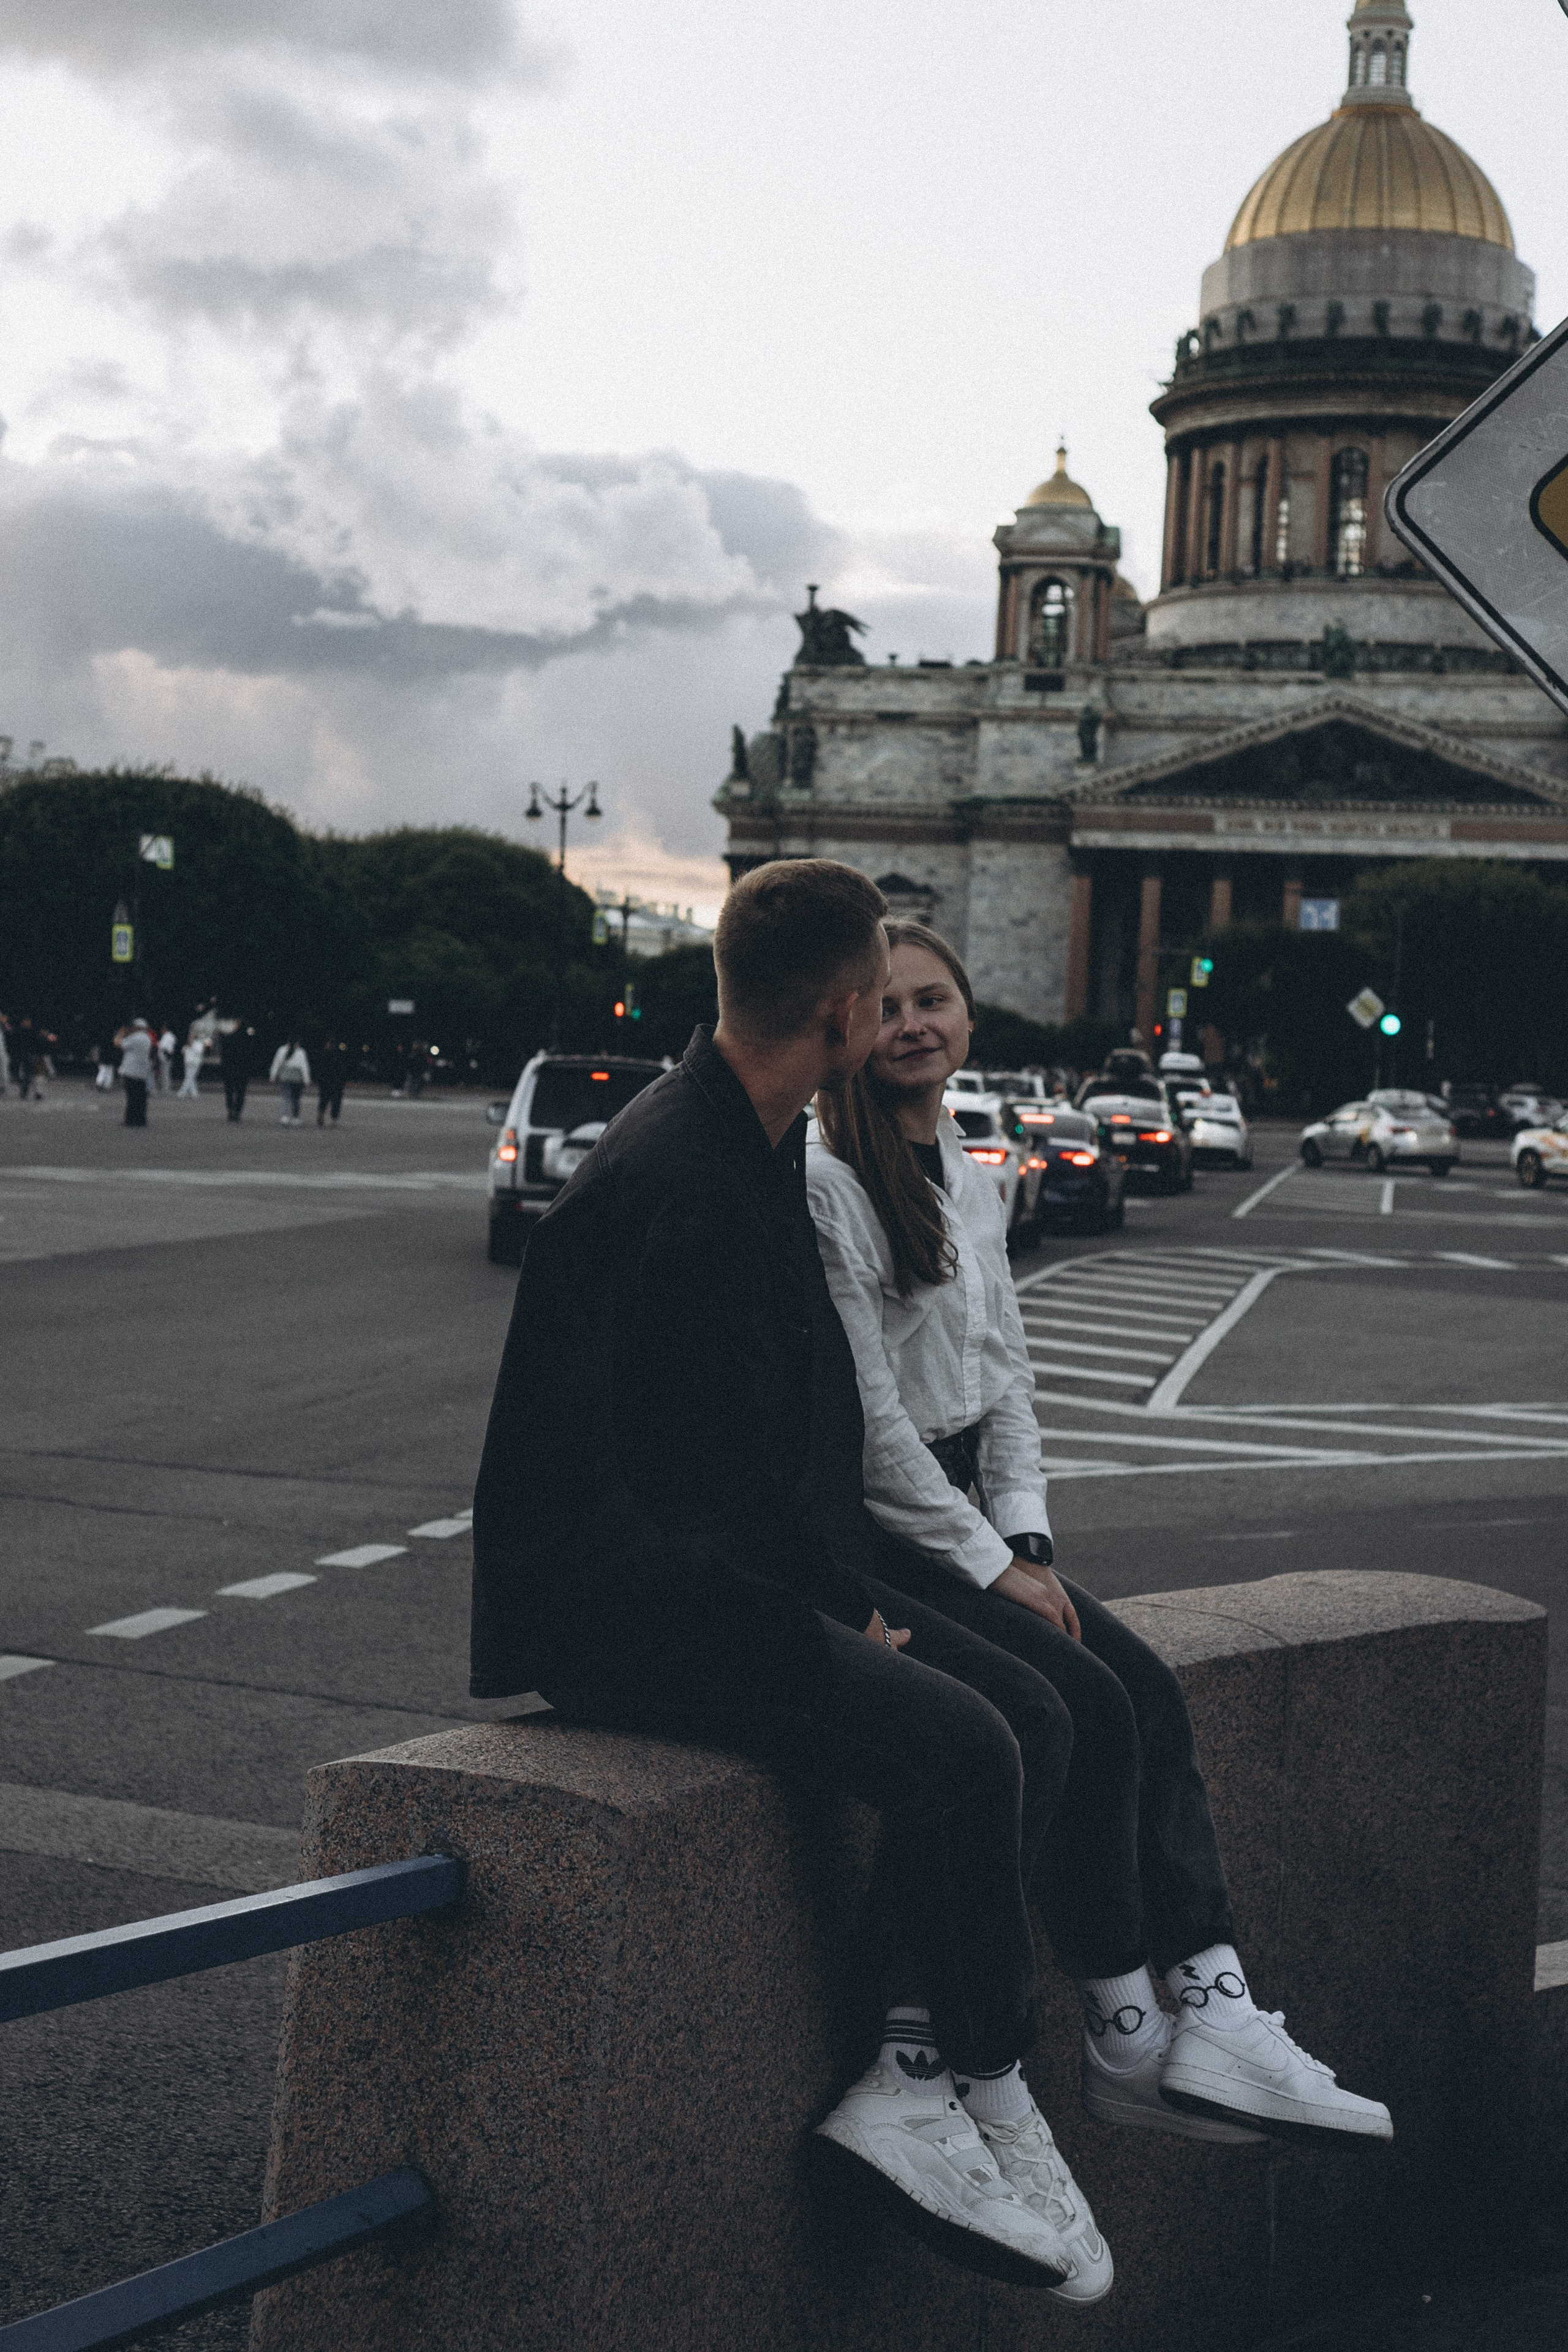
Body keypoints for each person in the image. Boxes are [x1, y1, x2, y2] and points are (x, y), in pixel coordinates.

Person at [472, 861, 1110, 2302]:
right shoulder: (692, 1178)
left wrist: (847, 1590)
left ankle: (934, 2077)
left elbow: (761, 1446)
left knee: (1026, 1713)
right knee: (966, 1744)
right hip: (629, 1616)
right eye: (873, 988)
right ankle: (960, 2084)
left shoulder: (736, 1135)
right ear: (837, 1009)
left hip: (703, 1582)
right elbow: (691, 1486)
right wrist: (838, 1609)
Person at [808, 921, 1393, 2152]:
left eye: (934, 1000)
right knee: (1074, 1709)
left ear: (968, 1018)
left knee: (1144, 1694)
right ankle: (1125, 2033)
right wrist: (987, 1566)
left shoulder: (972, 1167)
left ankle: (1211, 2005)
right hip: (885, 1524)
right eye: (888, 1005)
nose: (913, 1022)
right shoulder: (828, 1179)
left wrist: (1026, 1538)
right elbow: (870, 1430)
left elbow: (1004, 1381)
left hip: (969, 1510)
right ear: (850, 1026)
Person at [115, 1017, 156, 1127]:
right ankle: (140, 1119)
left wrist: (121, 1034)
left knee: (131, 1097)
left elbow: (119, 1044)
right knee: (140, 1097)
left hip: (130, 1070)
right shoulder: (147, 1038)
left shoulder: (134, 1038)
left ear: (137, 1027)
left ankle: (130, 1119)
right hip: (142, 1071)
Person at [221, 1023, 257, 1122]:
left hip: (231, 1069)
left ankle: (231, 1110)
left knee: (230, 1091)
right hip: (242, 1069)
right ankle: (237, 1111)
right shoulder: (247, 1038)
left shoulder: (229, 1038)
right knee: (240, 1091)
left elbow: (224, 1054)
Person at [270, 1037, 311, 1123]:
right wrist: (307, 1079)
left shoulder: (282, 1050)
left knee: (286, 1097)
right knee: (296, 1099)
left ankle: (285, 1116)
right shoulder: (301, 1052)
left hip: (285, 1076)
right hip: (297, 1078)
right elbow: (304, 1067)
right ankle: (296, 1118)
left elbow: (276, 1063)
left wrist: (273, 1075)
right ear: (297, 1043)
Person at [315, 1036, 349, 1125]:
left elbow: (320, 1069)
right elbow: (343, 1070)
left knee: (324, 1100)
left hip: (327, 1082)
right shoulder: (339, 1055)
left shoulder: (324, 1055)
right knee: (335, 1102)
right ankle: (333, 1118)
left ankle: (322, 1115)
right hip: (336, 1083)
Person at [178, 1033, 205, 1098]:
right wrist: (188, 1046)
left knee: (190, 1077)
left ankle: (182, 1092)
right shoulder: (188, 1045)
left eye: (192, 1037)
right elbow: (183, 1051)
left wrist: (192, 1046)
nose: (190, 1039)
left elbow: (200, 1052)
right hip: (188, 1063)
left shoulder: (198, 1044)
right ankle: (194, 1093)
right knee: (190, 1078)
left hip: (195, 1063)